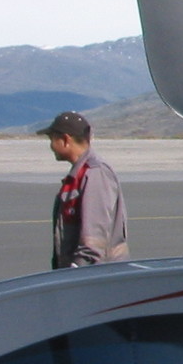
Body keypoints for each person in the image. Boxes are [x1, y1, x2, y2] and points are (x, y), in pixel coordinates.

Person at [37, 111, 129, 269]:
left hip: (99, 277)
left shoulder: (94, 173)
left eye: (52, 139)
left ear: (65, 140)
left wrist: (78, 275)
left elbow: (94, 239)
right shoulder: (78, 175)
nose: (51, 146)